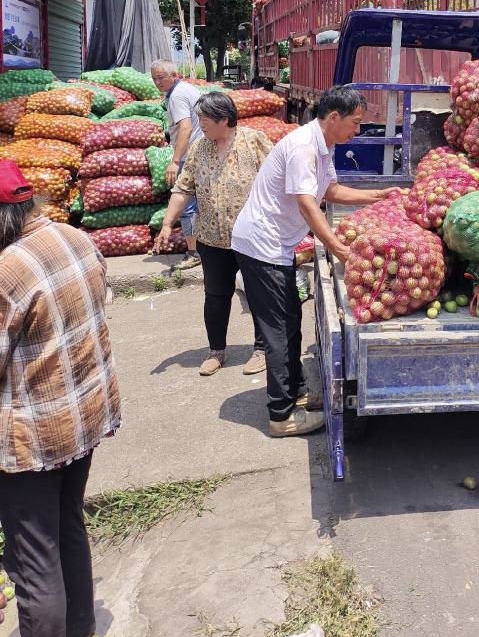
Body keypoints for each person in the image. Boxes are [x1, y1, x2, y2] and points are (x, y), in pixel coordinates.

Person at [0, 160, 120, 637]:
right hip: (82, 418)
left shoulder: (8, 271)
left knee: (34, 557)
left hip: (33, 435)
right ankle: (81, 632)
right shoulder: (75, 239)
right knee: (66, 520)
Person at [231, 86, 390, 437]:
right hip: (261, 245)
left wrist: (377, 196)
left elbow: (329, 192)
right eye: (355, 123)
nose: (358, 131)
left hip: (276, 245)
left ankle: (298, 394)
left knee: (290, 319)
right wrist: (339, 250)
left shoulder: (322, 146)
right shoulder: (303, 147)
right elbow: (307, 204)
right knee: (277, 330)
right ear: (334, 117)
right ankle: (281, 415)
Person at [153, 92, 272, 376]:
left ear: (224, 118)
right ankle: (216, 351)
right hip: (212, 239)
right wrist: (168, 222)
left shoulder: (254, 141)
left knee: (258, 295)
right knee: (216, 296)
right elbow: (183, 189)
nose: (200, 124)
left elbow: (278, 180)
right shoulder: (199, 149)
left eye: (205, 118)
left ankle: (262, 349)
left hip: (251, 237)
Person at [150, 60, 202, 269]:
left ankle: (194, 252)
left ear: (174, 74)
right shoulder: (185, 89)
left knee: (187, 204)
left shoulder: (178, 96)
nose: (157, 82)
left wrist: (175, 160)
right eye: (154, 78)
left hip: (189, 156)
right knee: (200, 202)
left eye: (161, 78)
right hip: (198, 154)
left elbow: (186, 128)